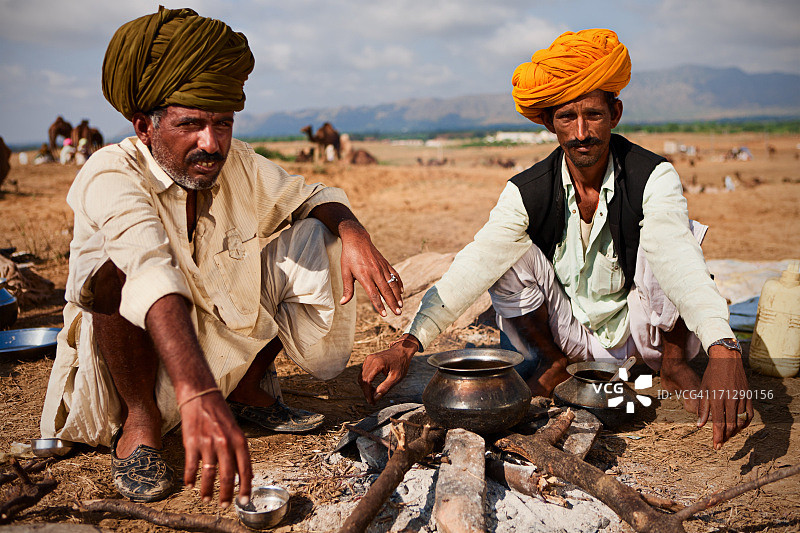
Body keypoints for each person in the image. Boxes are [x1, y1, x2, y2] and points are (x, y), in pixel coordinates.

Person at [40, 7, 404, 507]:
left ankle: (247, 390)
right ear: (145, 126)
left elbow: (311, 195)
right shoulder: (111, 174)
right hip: (143, 365)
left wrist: (353, 232)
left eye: (222, 124)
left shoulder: (239, 165)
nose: (210, 144)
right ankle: (141, 428)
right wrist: (194, 391)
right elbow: (149, 272)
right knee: (113, 273)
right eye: (190, 124)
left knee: (318, 236)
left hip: (213, 344)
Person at [360, 29, 752, 451]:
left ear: (615, 113)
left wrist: (723, 348)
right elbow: (473, 267)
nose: (581, 132)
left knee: (678, 239)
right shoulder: (526, 191)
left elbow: (676, 258)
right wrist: (407, 344)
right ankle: (553, 363)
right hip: (574, 330)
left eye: (593, 115)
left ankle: (673, 366)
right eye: (567, 117)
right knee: (503, 256)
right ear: (550, 123)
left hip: (644, 331)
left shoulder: (653, 176)